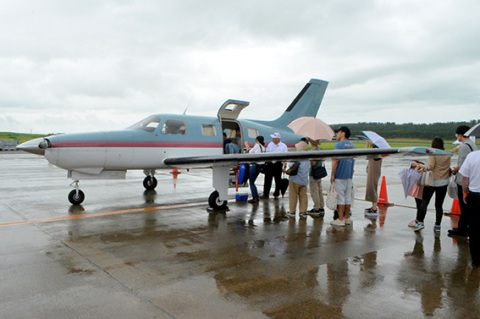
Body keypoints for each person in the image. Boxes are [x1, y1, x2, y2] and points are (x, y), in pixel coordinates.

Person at [412, 137, 452, 232]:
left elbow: (431, 167)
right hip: (444, 182)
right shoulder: (447, 154)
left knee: (424, 202)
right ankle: (437, 225)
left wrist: (421, 166)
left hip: (432, 182)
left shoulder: (433, 153)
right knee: (439, 205)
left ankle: (420, 222)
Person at [448, 125, 478, 236]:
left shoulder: (465, 146)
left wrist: (455, 170)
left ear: (460, 134)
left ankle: (462, 228)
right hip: (472, 180)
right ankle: (465, 226)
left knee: (464, 205)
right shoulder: (472, 144)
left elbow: (462, 165)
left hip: (463, 180)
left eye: (457, 134)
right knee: (467, 207)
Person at [330, 126, 356, 226]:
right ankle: (347, 218)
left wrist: (332, 174)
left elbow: (335, 161)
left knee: (340, 198)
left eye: (338, 132)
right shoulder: (352, 146)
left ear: (343, 133)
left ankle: (340, 219)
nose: (336, 134)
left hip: (340, 175)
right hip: (349, 175)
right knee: (347, 197)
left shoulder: (338, 145)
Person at [459, 150, 480, 267]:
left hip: (474, 196)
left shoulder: (472, 156)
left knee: (474, 228)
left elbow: (465, 178)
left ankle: (476, 260)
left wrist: (464, 192)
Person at [286, 141, 311, 219]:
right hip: (304, 179)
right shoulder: (308, 158)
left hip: (295, 179)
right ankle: (303, 211)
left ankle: (292, 211)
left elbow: (290, 165)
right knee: (303, 196)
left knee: (293, 195)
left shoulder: (296, 156)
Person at [262, 132, 288, 199]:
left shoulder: (283, 146)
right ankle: (265, 194)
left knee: (278, 179)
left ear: (277, 139)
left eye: (274, 138)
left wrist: (284, 167)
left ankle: (276, 193)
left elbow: (286, 157)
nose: (273, 139)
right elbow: (267, 152)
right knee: (267, 179)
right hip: (270, 163)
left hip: (278, 164)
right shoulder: (270, 144)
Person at [308, 139, 326, 216]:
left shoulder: (314, 151)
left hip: (313, 173)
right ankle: (321, 206)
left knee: (314, 191)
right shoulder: (320, 150)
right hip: (319, 172)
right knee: (319, 190)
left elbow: (313, 162)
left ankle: (316, 208)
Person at [364, 140, 383, 216]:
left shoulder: (376, 151)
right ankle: (373, 206)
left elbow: (366, 155)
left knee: (373, 188)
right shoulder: (377, 151)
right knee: (372, 188)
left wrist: (367, 145)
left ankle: (374, 208)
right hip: (373, 172)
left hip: (374, 172)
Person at [247, 136, 266, 203]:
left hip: (254, 165)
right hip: (260, 166)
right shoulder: (263, 147)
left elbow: (250, 153)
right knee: (253, 182)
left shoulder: (257, 145)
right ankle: (256, 196)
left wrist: (247, 147)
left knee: (251, 182)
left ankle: (255, 197)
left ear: (257, 140)